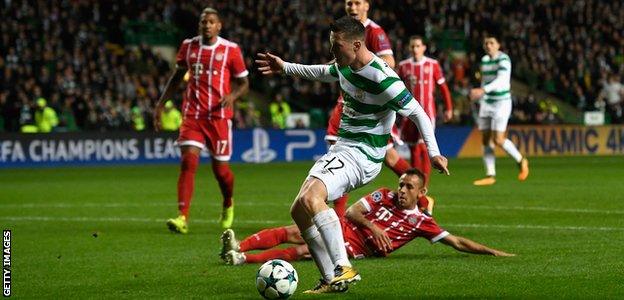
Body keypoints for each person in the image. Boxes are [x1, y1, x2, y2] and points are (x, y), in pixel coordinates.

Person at [256, 16, 449, 293]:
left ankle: (343, 267)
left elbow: (418, 112)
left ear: (356, 44)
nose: (332, 52)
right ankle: (329, 278)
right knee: (299, 209)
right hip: (344, 148)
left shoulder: (383, 79)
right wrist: (285, 67)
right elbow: (322, 72)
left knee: (313, 197)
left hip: (364, 154)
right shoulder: (345, 66)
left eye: (337, 46)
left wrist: (434, 153)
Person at [220, 169, 514, 279]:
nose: (401, 190)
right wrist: (374, 227)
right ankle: (238, 245)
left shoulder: (422, 222)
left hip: (356, 247)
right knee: (294, 230)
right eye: (401, 184)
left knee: (303, 251)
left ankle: (242, 259)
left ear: (421, 193)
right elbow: (351, 213)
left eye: (409, 187)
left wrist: (493, 252)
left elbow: (458, 242)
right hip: (348, 228)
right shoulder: (383, 195)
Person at [154, 7, 249, 232]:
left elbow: (244, 83)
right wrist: (161, 104)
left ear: (219, 26)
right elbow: (177, 77)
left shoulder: (231, 50)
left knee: (221, 172)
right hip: (193, 115)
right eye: (203, 21)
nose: (207, 25)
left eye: (211, 21)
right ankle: (182, 217)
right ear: (199, 25)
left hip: (219, 117)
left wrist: (232, 96)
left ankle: (228, 202)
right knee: (188, 162)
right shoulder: (188, 47)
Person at [328, 0, 413, 217]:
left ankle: (419, 191)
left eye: (357, 3)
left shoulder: (373, 31)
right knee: (339, 154)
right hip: (349, 103)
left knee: (389, 158)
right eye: (348, 3)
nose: (352, 7)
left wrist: (362, 67)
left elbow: (389, 61)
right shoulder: (342, 31)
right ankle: (338, 217)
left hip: (370, 108)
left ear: (367, 5)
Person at [469, 34, 528, 186]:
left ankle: (521, 160)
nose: (488, 45)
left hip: (501, 102)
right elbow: (485, 80)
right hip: (487, 102)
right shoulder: (484, 60)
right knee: (485, 139)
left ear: (498, 45)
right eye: (486, 43)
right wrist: (481, 97)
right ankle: (490, 175)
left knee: (498, 139)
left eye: (491, 42)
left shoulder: (504, 60)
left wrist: (483, 90)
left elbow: (501, 80)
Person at [397, 36, 454, 182]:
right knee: (414, 149)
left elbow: (443, 88)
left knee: (424, 148)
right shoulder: (404, 66)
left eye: (418, 46)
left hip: (428, 112)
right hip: (408, 114)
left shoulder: (432, 64)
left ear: (424, 48)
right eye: (412, 46)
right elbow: (396, 88)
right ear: (409, 49)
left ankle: (424, 186)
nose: (415, 49)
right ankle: (417, 184)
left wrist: (448, 108)